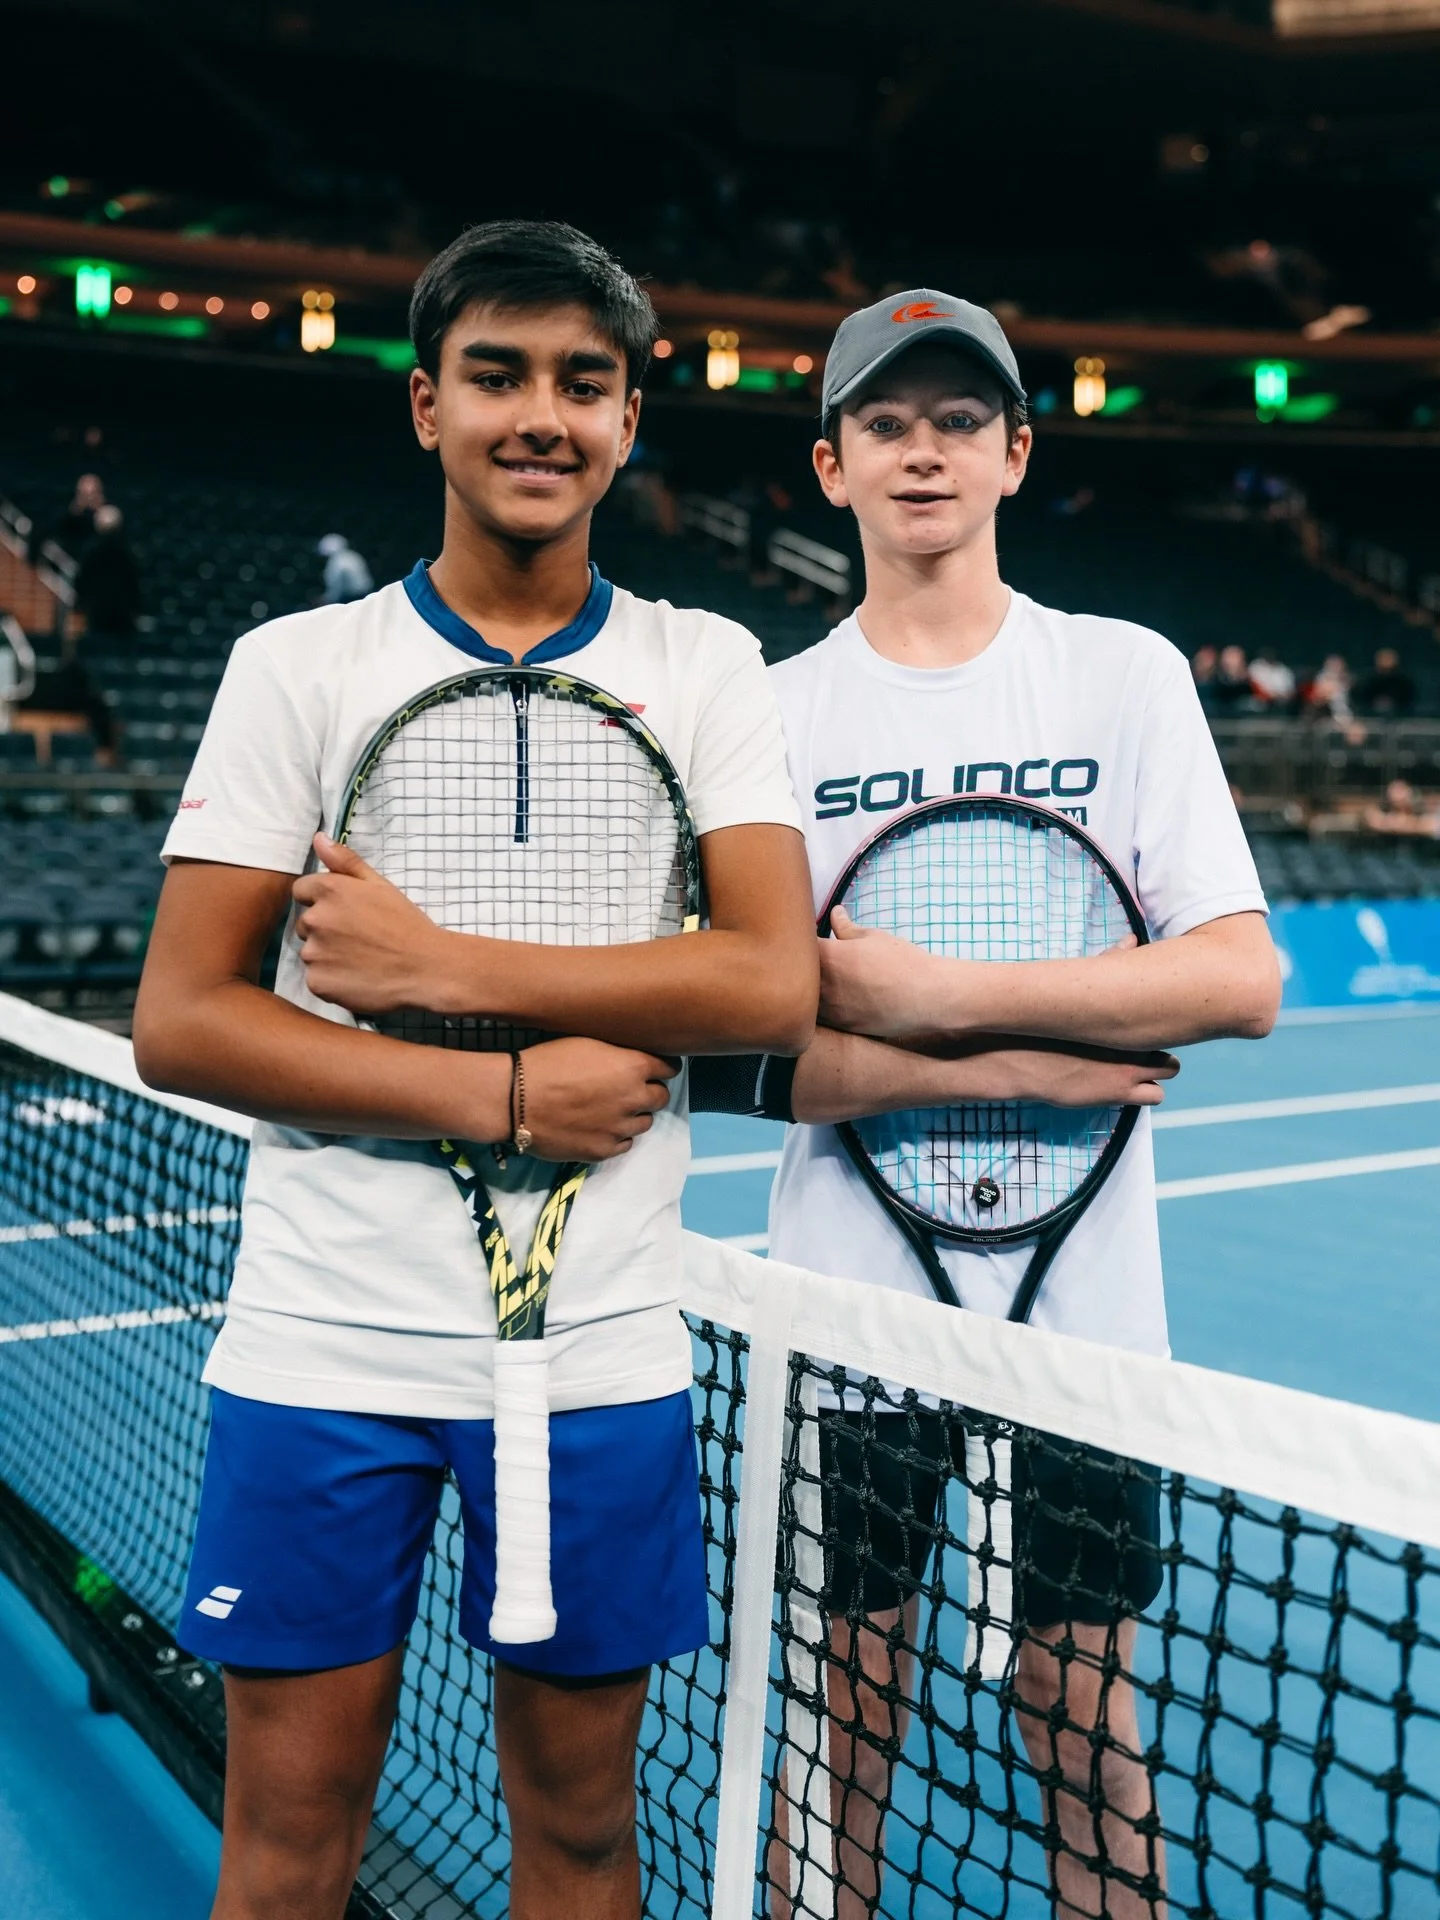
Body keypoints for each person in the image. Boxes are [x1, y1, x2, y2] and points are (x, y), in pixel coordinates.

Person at [132, 219, 818, 1920]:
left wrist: (438, 971)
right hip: (322, 1345)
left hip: (596, 1358)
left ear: (630, 420)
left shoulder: (705, 667)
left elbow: (770, 978)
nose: (542, 416)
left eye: (585, 383)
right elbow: (186, 1019)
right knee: (288, 1844)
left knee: (582, 1837)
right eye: (498, 374)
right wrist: (504, 1099)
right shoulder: (300, 670)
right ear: (425, 405)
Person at [696, 288, 1278, 1920]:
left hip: (1084, 1334)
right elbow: (742, 1050)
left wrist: (937, 999)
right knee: (840, 1721)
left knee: (1083, 1717)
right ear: (829, 465)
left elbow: (1236, 978)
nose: (925, 449)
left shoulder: (1124, 681)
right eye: (887, 421)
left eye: (960, 420)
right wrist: (1041, 1056)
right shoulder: (773, 710)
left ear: (1017, 455)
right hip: (847, 1327)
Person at [74, 503, 143, 640]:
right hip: (117, 616)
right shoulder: (128, 554)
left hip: (101, 615)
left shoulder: (91, 554)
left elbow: (80, 584)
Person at [1363, 778, 1440, 838]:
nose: (1397, 794)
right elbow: (1370, 816)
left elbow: (1432, 826)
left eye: (1400, 790)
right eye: (1395, 790)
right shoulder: (1381, 815)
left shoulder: (1424, 815)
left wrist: (1400, 824)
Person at [1356, 646, 1416, 717]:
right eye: (1383, 659)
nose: (1386, 662)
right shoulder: (1368, 682)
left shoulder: (1404, 683)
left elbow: (1409, 701)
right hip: (1370, 718)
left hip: (1399, 718)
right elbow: (1362, 701)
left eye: (1389, 659)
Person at [317, 532, 375, 604]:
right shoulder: (353, 555)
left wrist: (328, 598)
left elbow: (337, 585)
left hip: (350, 598)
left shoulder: (336, 561)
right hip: (367, 594)